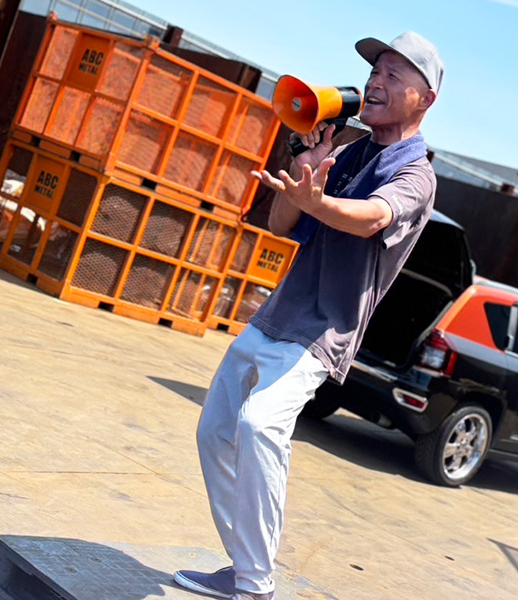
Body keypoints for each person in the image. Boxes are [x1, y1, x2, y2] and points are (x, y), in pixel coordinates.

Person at [174, 31, 444, 600]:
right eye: (375, 71)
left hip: (323, 330)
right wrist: (306, 166)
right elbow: (280, 224)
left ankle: (255, 584)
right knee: (214, 431)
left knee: (259, 424)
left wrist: (321, 202)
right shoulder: (349, 150)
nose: (375, 82)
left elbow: (374, 218)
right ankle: (245, 568)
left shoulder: (416, 175)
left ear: (425, 99)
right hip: (278, 314)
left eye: (393, 75)